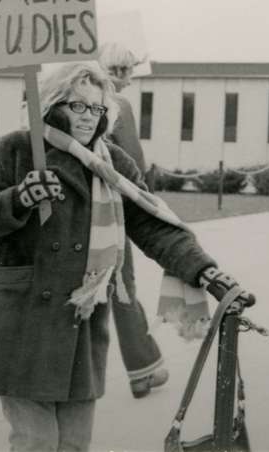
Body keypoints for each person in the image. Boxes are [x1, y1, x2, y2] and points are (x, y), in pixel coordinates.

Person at [0, 61, 252, 452]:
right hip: (21, 323)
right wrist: (20, 197)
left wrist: (205, 271)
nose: (89, 117)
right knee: (37, 442)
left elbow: (153, 225)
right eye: (79, 106)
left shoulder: (113, 164)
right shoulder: (19, 148)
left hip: (79, 325)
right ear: (55, 104)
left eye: (97, 109)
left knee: (75, 443)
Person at [97, 42, 168, 399]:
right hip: (111, 208)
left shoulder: (77, 99)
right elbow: (133, 161)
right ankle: (142, 369)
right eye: (125, 71)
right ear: (116, 70)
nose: (128, 79)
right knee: (122, 287)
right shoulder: (119, 106)